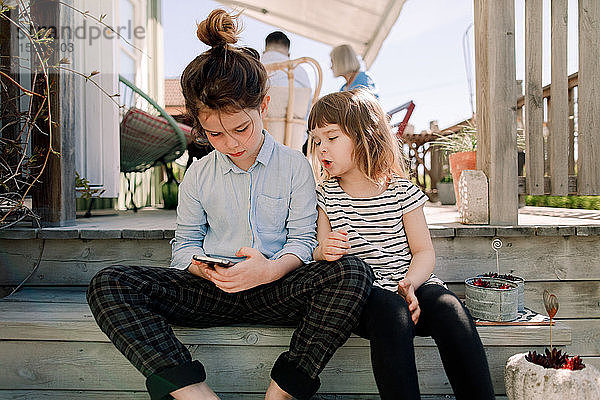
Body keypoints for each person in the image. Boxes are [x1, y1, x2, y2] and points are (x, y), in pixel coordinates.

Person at [86, 10, 374, 400]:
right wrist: (203, 269)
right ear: (200, 126)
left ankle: (283, 393)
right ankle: (195, 394)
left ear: (264, 106)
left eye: (241, 128)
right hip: (212, 290)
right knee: (110, 283)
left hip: (278, 288)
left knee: (352, 273)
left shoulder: (294, 166)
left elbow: (304, 241)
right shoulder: (199, 174)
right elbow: (185, 243)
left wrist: (269, 271)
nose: (231, 142)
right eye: (215, 133)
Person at [308, 88, 495, 400]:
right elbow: (317, 249)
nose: (322, 148)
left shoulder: (401, 192)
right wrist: (324, 251)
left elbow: (423, 251)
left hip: (412, 283)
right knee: (391, 311)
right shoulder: (325, 195)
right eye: (316, 140)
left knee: (451, 309)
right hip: (367, 298)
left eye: (331, 137)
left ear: (365, 136)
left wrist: (410, 284)